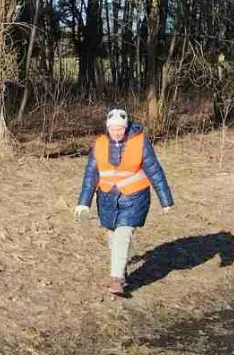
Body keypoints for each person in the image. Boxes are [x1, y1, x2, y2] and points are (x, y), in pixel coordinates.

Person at [75, 108, 175, 296]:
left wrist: (165, 200)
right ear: (107, 128)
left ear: (126, 126)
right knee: (113, 238)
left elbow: (154, 170)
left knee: (122, 234)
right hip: (107, 200)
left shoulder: (140, 141)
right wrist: (83, 203)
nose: (117, 132)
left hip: (134, 198)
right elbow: (91, 174)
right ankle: (121, 269)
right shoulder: (100, 144)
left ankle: (116, 279)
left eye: (120, 129)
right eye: (113, 129)